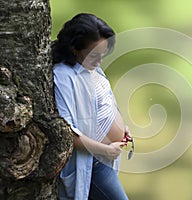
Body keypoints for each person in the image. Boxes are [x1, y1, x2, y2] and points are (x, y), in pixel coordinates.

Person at [52, 13, 130, 200]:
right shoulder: (64, 78)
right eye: (94, 54)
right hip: (93, 163)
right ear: (74, 48)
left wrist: (122, 128)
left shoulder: (91, 67)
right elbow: (68, 132)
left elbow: (105, 103)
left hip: (104, 159)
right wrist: (106, 150)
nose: (100, 60)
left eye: (103, 54)